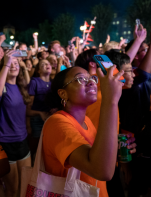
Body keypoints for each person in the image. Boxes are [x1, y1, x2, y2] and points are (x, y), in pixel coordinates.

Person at [43, 65, 124, 197]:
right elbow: (102, 171)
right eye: (80, 79)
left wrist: (115, 149)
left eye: (91, 78)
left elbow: (97, 154)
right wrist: (110, 101)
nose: (91, 81)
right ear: (63, 93)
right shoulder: (57, 124)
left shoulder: (86, 121)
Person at [0, 50, 31, 197]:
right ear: (4, 67)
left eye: (16, 64)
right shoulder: (2, 87)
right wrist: (6, 63)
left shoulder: (21, 87)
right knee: (12, 189)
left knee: (25, 186)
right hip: (5, 142)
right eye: (10, 64)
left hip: (22, 140)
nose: (14, 66)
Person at [26, 59, 52, 162]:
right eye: (43, 64)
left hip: (49, 119)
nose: (47, 65)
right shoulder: (34, 82)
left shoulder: (52, 83)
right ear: (39, 71)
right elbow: (28, 107)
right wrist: (28, 125)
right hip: (36, 120)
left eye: (48, 63)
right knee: (35, 149)